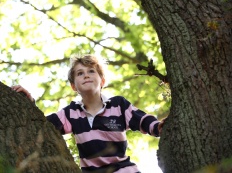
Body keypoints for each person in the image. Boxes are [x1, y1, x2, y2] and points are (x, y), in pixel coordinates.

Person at [12, 54, 165, 173]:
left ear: (102, 81)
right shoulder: (71, 113)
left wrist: (158, 127)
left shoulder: (118, 105)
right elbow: (41, 125)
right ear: (73, 86)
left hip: (123, 170)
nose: (86, 75)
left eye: (91, 71)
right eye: (80, 73)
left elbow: (142, 120)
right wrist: (29, 103)